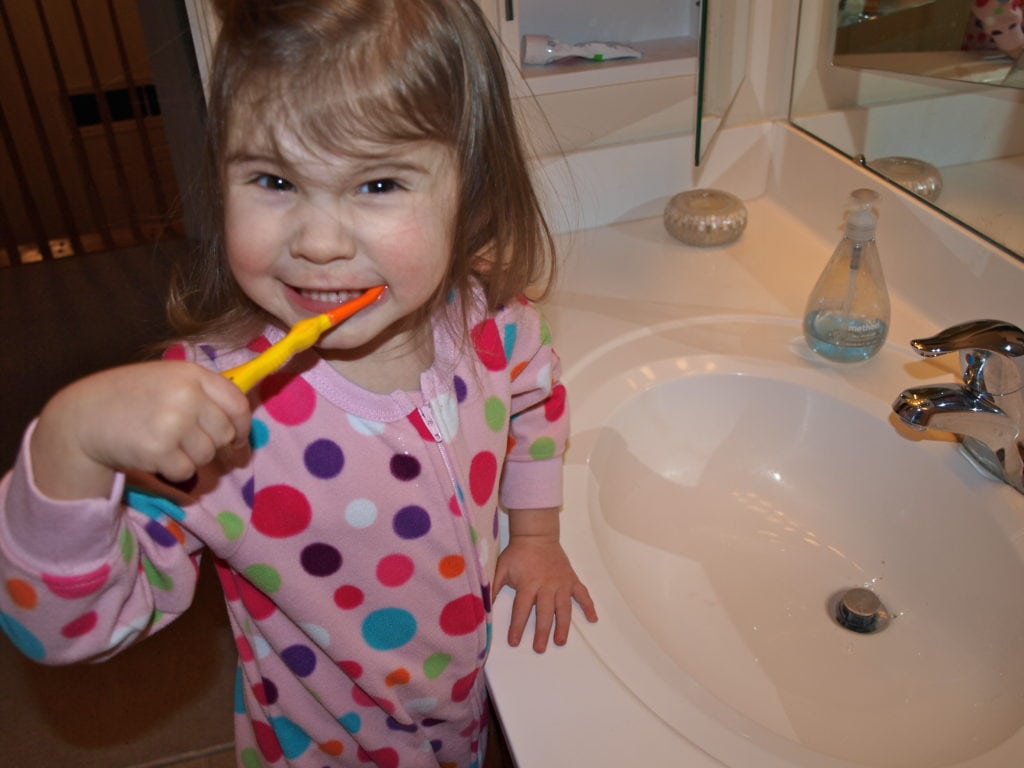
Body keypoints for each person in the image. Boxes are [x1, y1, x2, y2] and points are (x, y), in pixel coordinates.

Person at [0, 1, 597, 766]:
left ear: (470, 192)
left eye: (378, 184)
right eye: (274, 179)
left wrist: (536, 534)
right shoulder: (214, 416)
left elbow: (536, 403)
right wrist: (68, 445)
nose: (317, 243)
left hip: (469, 715)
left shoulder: (494, 321)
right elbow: (62, 630)